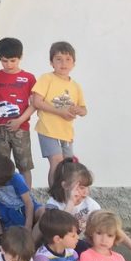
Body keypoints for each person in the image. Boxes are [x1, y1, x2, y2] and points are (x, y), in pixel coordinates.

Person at [39, 159, 131, 261]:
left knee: (97, 248)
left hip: (77, 243)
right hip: (58, 245)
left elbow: (110, 226)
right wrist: (70, 203)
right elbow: (57, 228)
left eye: (87, 188)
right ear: (65, 185)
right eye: (81, 188)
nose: (85, 192)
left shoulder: (90, 204)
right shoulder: (54, 204)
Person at [29, 42, 87, 185]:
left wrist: (79, 110)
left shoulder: (76, 86)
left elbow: (84, 109)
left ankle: (64, 195)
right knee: (56, 161)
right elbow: (37, 101)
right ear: (51, 62)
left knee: (68, 166)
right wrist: (60, 112)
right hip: (48, 129)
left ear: (74, 63)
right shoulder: (46, 78)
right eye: (58, 59)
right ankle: (54, 195)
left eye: (68, 59)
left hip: (66, 133)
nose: (63, 63)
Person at [0, 38, 36, 189]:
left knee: (24, 166)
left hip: (21, 128)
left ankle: (27, 197)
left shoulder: (29, 78)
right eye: (4, 61)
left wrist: (20, 120)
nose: (9, 65)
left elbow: (34, 103)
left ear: (20, 57)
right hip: (0, 129)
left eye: (12, 60)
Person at [0, 156, 39, 234]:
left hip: (22, 206)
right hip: (3, 206)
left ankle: (32, 241)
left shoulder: (17, 179)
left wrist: (28, 226)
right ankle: (0, 236)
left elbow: (28, 203)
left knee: (43, 213)